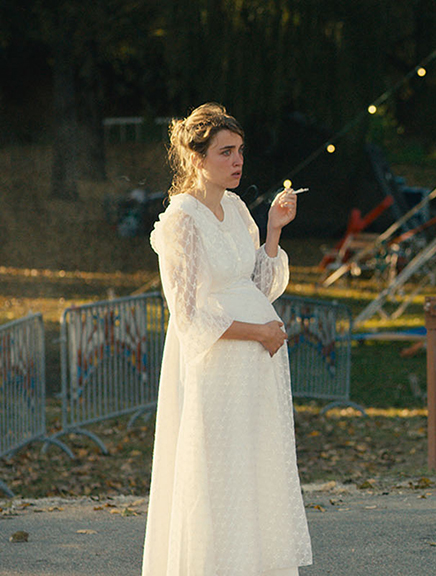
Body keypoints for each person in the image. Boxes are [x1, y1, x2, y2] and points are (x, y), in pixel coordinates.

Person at [142, 103, 312, 575]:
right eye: (225, 152)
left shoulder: (237, 208)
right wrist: (258, 331)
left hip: (253, 368)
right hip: (216, 367)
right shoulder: (181, 220)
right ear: (198, 158)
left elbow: (254, 284)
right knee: (216, 475)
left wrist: (274, 229)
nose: (237, 161)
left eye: (240, 151)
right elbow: (190, 313)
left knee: (251, 472)